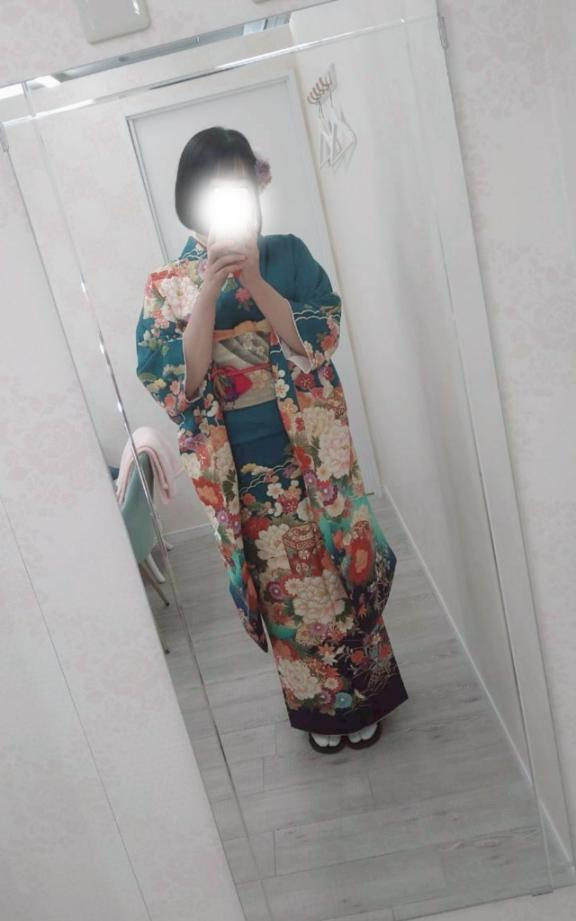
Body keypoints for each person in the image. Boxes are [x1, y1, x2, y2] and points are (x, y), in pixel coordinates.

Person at [136, 126, 409, 753]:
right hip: (245, 469)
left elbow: (316, 339)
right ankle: (321, 710)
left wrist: (256, 281)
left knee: (339, 573)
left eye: (238, 184)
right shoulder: (167, 285)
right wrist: (209, 288)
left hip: (311, 455)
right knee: (288, 591)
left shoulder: (287, 253)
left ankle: (367, 692)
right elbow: (181, 383)